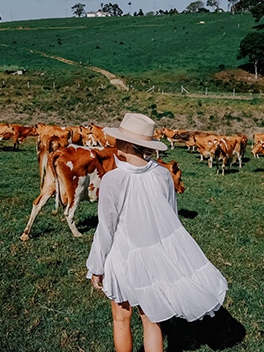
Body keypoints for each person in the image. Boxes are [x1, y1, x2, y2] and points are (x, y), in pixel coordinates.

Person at [86, 113, 228, 352]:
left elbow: (106, 228)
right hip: (152, 259)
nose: (114, 141)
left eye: (119, 139)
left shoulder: (112, 179)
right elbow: (170, 219)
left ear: (129, 145)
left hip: (122, 257)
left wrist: (96, 267)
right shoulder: (163, 175)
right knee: (152, 321)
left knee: (121, 320)